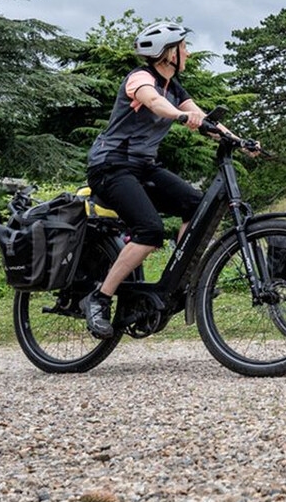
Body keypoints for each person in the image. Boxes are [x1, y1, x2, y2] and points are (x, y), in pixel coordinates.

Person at [79, 21, 213, 338]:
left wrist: (240, 141)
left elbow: (203, 116)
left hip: (143, 167)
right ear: (167, 53)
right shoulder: (140, 79)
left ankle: (181, 280)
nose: (188, 54)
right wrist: (181, 116)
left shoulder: (174, 88)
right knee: (150, 230)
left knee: (198, 206)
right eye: (183, 48)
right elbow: (153, 102)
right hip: (111, 167)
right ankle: (98, 299)